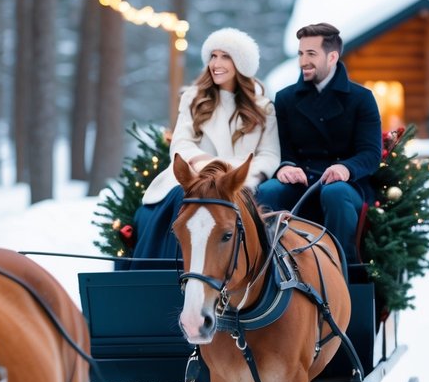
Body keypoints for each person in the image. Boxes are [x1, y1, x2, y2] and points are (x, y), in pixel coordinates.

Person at [131, 27, 280, 262]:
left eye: (225, 56)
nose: (216, 63)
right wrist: (205, 163)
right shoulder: (194, 98)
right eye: (213, 55)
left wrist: (243, 176)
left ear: (241, 63)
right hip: (194, 174)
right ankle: (165, 271)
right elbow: (180, 143)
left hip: (240, 180)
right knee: (174, 205)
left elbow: (269, 155)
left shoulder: (264, 107)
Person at [256, 22, 381, 263]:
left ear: (332, 56)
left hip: (346, 185)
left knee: (335, 194)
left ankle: (342, 269)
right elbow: (280, 147)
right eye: (301, 53)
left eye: (311, 54)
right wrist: (285, 166)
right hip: (300, 181)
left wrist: (346, 168)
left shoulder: (361, 99)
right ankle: (266, 270)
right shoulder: (285, 98)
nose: (303, 61)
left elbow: (371, 152)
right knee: (268, 191)